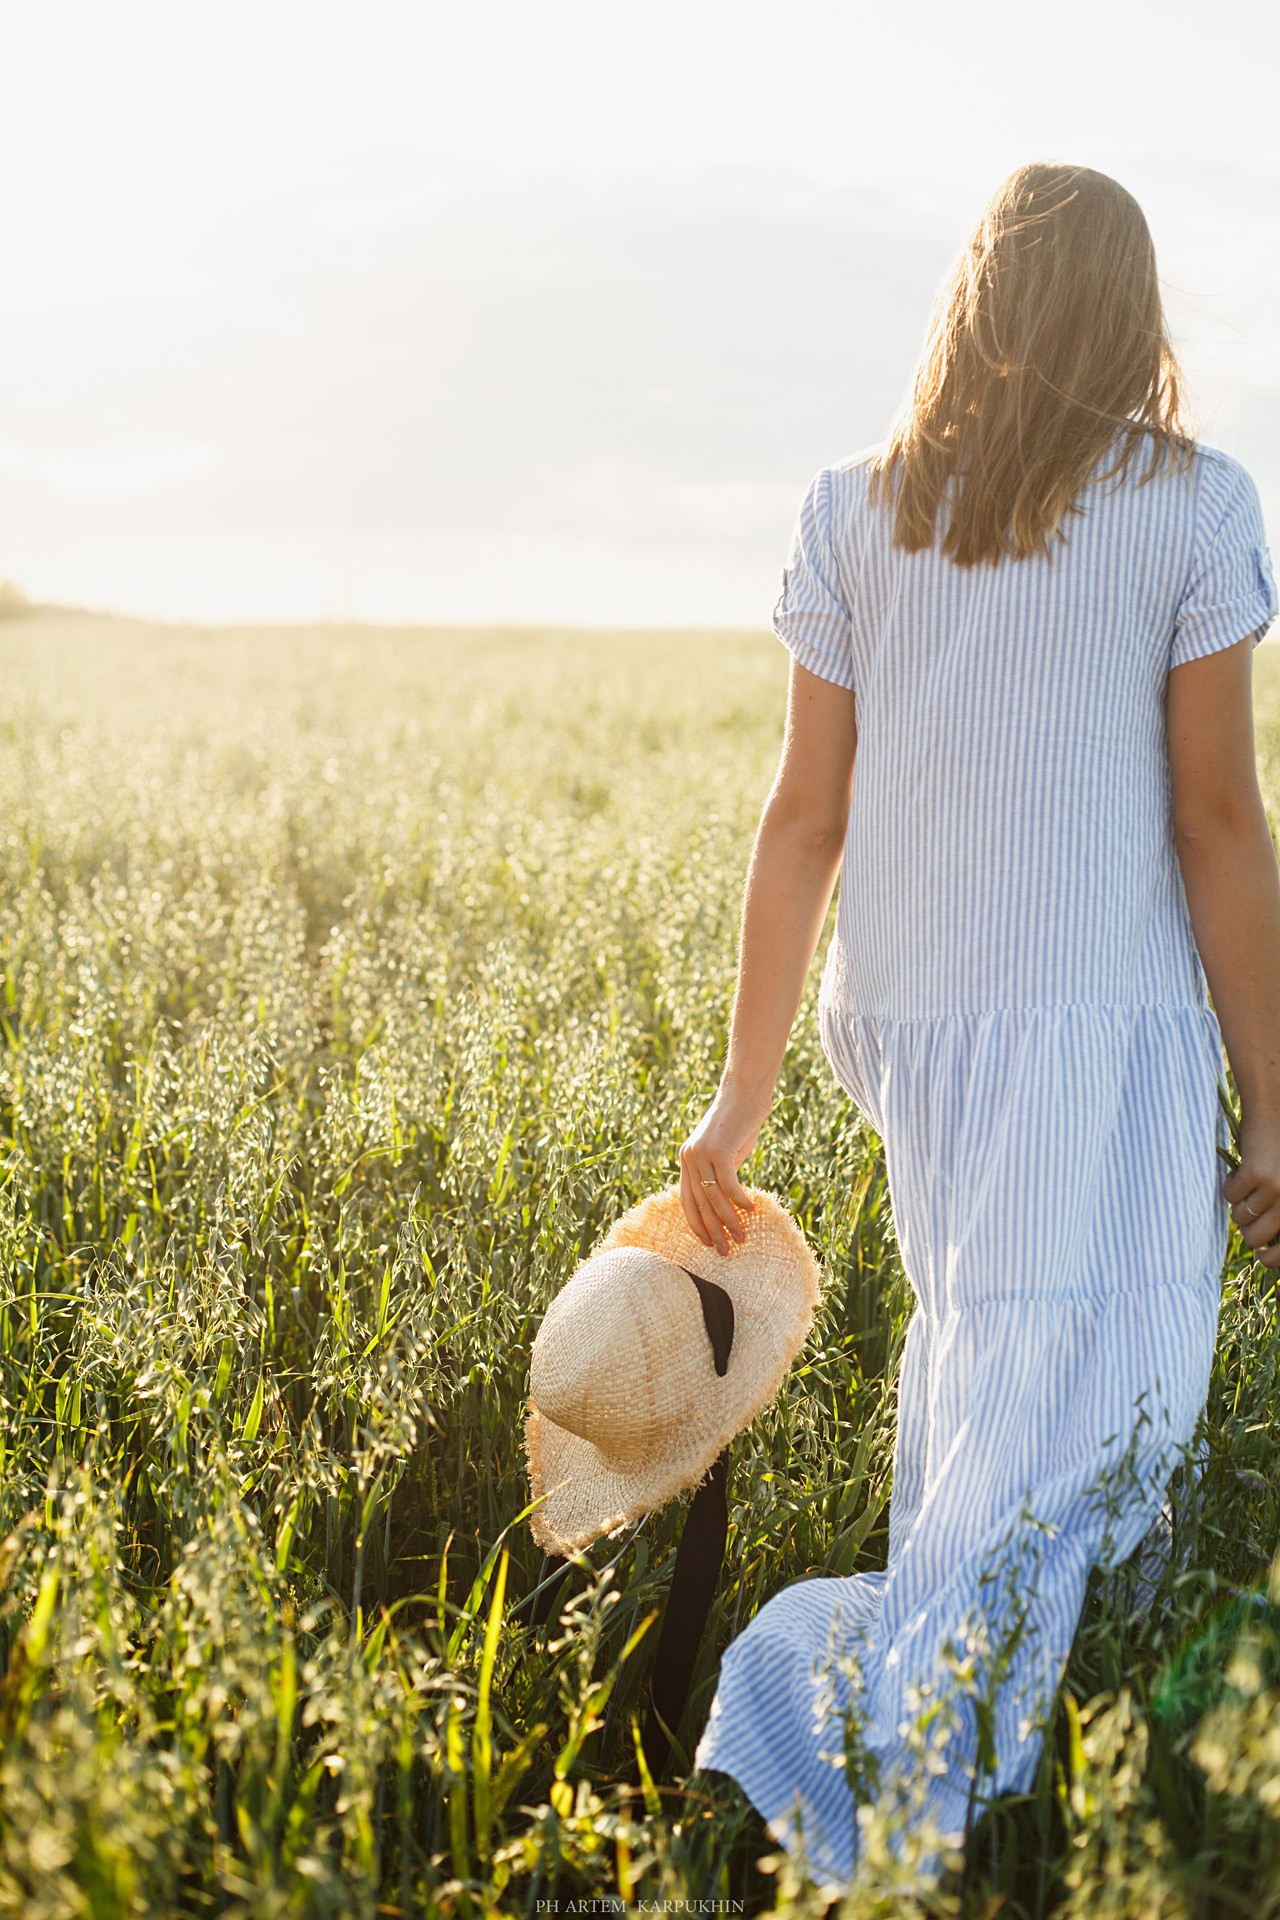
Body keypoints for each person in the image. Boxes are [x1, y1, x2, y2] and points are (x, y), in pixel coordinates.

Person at [675, 159, 1280, 1892]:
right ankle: (907, 1746)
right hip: (1103, 1018)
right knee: (1103, 1379)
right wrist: (1275, 1097)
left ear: (973, 304)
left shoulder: (852, 508)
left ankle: (1012, 1714)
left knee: (998, 1354)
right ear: (1131, 315)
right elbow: (1218, 821)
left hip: (924, 1026)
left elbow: (802, 821)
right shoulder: (1195, 505)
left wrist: (742, 1093)